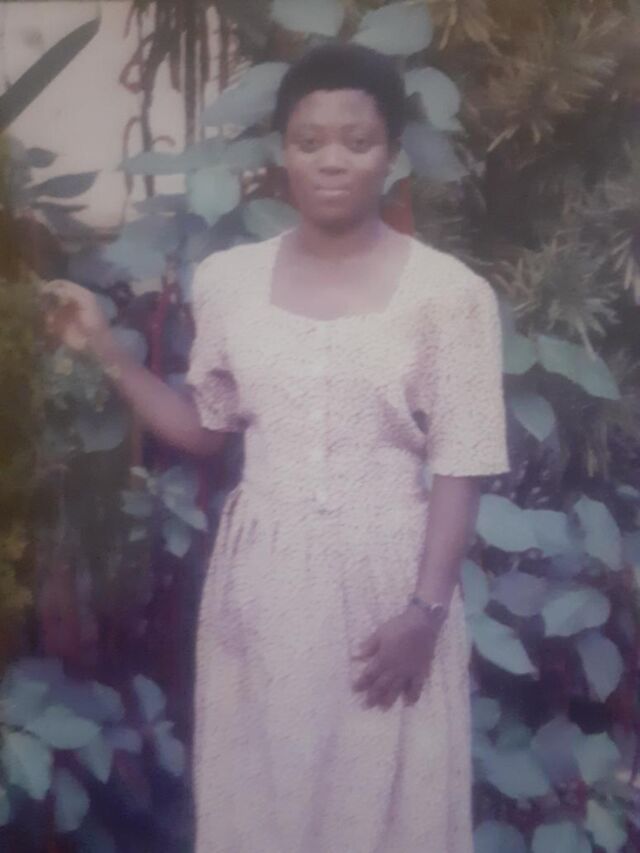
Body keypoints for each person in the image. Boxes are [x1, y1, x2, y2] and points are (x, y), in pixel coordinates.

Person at [45, 41, 509, 853]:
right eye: (309, 140)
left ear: (392, 155)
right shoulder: (230, 282)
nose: (332, 161)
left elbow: (462, 463)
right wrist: (107, 351)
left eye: (357, 142)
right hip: (262, 585)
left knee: (384, 804)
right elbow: (205, 428)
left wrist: (425, 612)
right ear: (281, 152)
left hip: (390, 588)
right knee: (268, 800)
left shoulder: (449, 296)